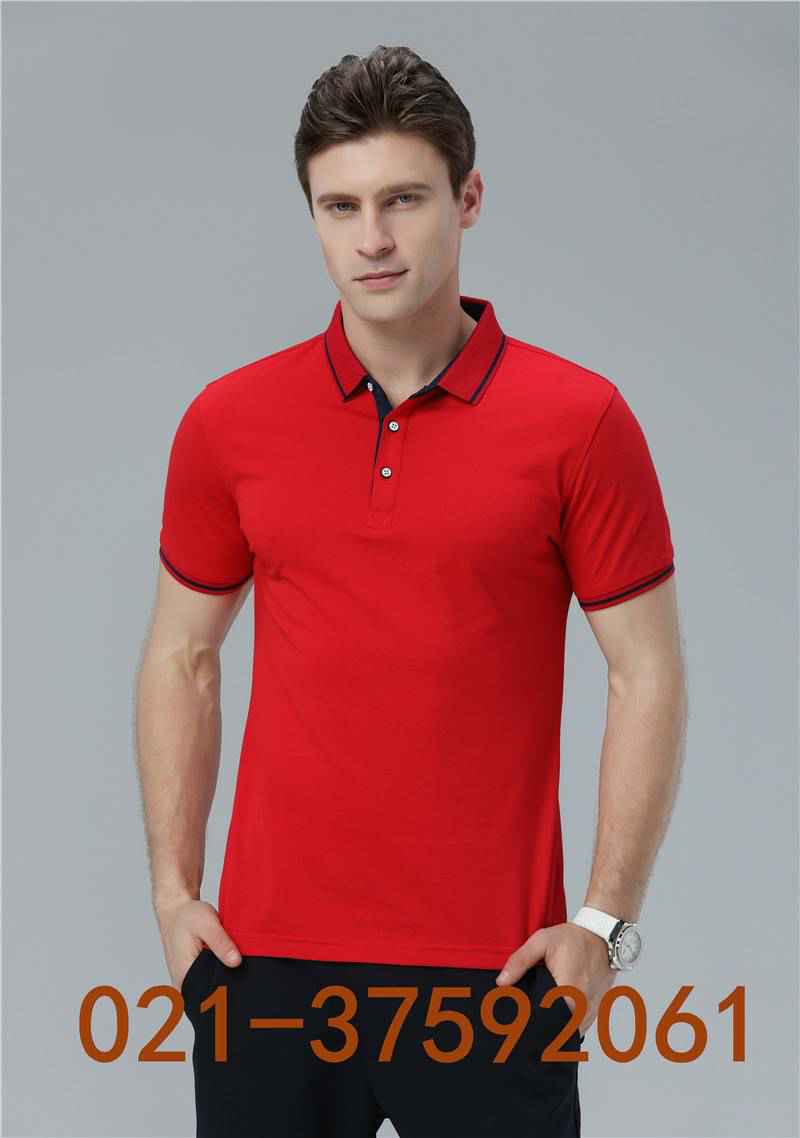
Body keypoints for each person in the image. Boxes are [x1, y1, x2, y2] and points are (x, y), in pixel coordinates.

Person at [135, 43, 687, 1138]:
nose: (372, 238)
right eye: (339, 206)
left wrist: (601, 924)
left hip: (497, 975)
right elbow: (181, 655)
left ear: (466, 199)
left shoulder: (579, 422)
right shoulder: (229, 422)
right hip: (266, 971)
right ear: (311, 214)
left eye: (403, 199)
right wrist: (172, 893)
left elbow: (647, 672)